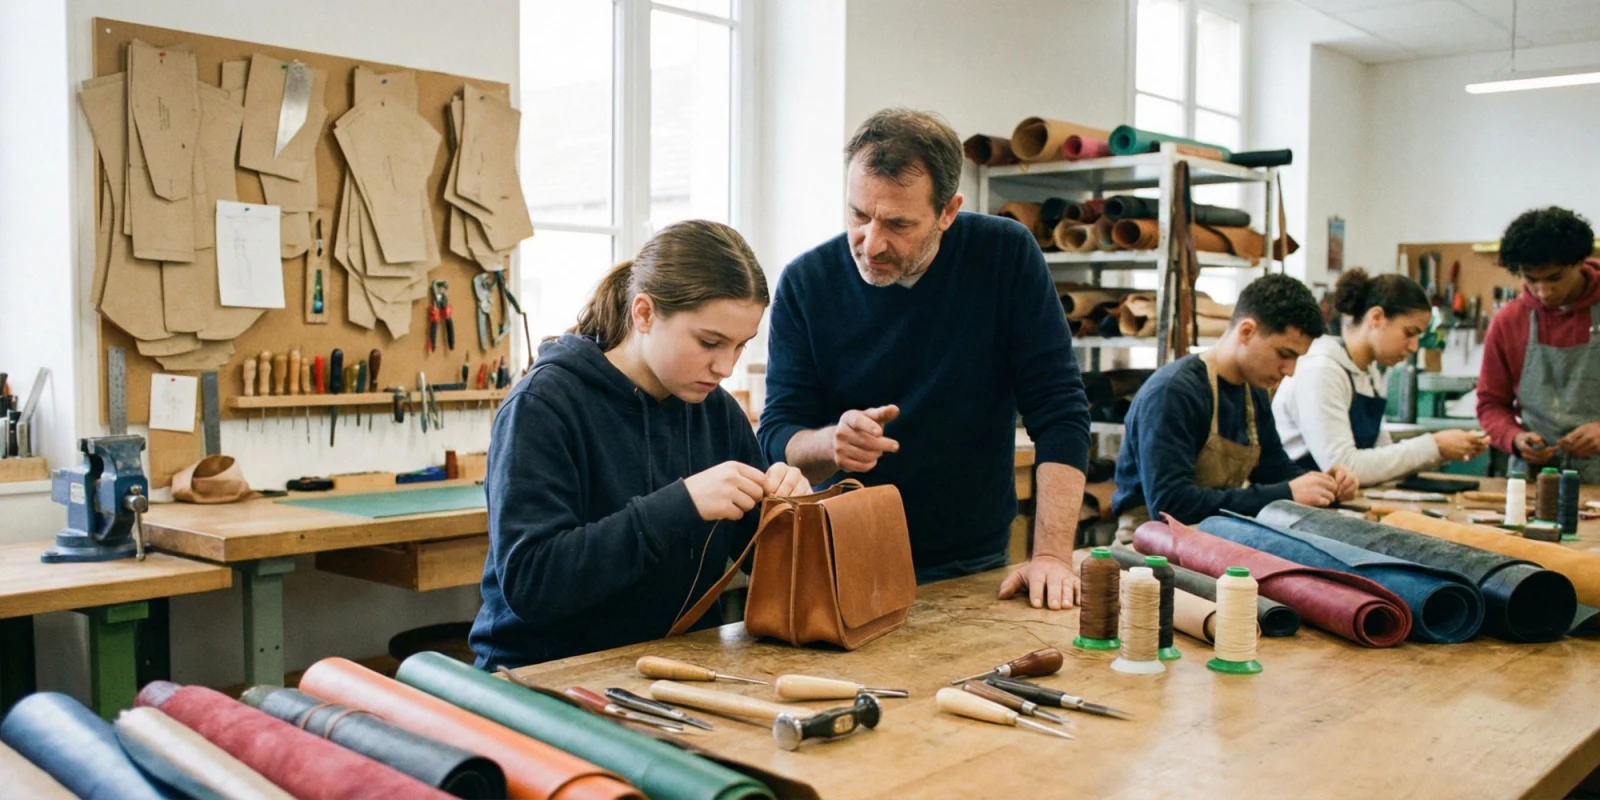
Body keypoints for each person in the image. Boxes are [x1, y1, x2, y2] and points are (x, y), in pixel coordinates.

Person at [758, 108, 1093, 609]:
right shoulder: (806, 283)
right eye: (858, 215)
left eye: (897, 224)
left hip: (969, 558)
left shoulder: (1004, 256)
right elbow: (776, 435)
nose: (871, 244)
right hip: (841, 554)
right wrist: (832, 443)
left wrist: (1050, 556)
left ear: (948, 212)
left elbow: (1060, 411)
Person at [470, 220, 811, 670]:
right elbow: (532, 583)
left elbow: (766, 564)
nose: (726, 367)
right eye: (710, 342)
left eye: (740, 346)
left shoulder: (718, 412)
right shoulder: (543, 405)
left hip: (676, 666)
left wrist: (790, 513)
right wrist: (680, 504)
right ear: (644, 313)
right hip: (546, 674)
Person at [1112, 274, 1358, 536]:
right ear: (1246, 332)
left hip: (1211, 538)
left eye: (1297, 359)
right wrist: (1287, 493)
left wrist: (1325, 484)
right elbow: (1171, 507)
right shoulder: (1173, 392)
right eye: (1284, 354)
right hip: (1146, 547)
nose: (1290, 371)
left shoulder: (1254, 392)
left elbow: (1274, 469)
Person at [1275, 269, 1488, 485]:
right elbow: (1343, 467)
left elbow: (1383, 459)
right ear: (1376, 317)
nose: (1414, 347)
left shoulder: (1370, 375)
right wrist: (1434, 445)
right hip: (1296, 501)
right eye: (1409, 333)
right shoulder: (1322, 370)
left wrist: (1442, 450)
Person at [1479, 206, 1600, 481]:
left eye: (1555, 277)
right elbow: (1490, 404)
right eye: (1531, 280)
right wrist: (1514, 437)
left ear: (1579, 262)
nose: (1544, 291)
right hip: (1533, 479)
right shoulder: (1509, 322)